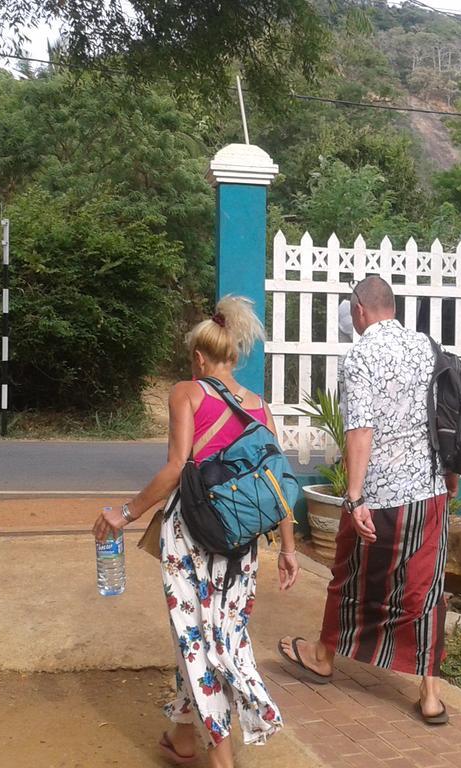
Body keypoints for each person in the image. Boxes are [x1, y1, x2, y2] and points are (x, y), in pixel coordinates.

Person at [91, 295, 299, 767]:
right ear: (234, 355)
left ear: (200, 357)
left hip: (191, 535)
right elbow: (275, 479)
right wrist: (287, 549)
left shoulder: (187, 391)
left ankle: (222, 759)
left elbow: (173, 471)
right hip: (241, 541)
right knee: (220, 633)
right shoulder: (259, 406)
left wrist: (124, 514)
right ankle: (182, 740)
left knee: (197, 640)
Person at [277, 275, 458, 725]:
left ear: (359, 310)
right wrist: (449, 477)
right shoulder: (426, 348)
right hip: (429, 493)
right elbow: (447, 416)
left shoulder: (360, 356)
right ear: (390, 307)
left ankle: (323, 656)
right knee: (425, 588)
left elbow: (360, 432)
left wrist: (354, 498)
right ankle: (431, 695)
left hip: (379, 495)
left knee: (350, 577)